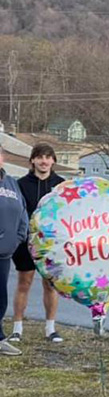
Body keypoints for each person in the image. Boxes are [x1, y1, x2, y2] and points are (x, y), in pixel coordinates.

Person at [8, 143, 65, 344]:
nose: (44, 161)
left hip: (52, 245)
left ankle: (50, 328)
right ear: (32, 160)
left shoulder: (61, 185)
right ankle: (17, 328)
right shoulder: (21, 184)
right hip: (26, 242)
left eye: (48, 157)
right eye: (40, 157)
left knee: (50, 286)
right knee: (24, 283)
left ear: (53, 161)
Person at [0, 145, 28, 356]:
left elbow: (22, 212)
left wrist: (18, 237)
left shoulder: (11, 183)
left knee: (1, 298)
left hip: (4, 253)